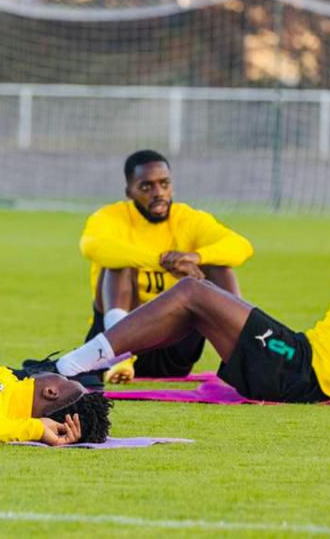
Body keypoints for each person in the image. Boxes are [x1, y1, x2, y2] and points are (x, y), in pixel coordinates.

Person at [36, 157, 330, 410]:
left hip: (302, 372)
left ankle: (73, 364)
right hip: (302, 366)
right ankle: (96, 361)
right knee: (197, 299)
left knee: (194, 292)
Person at [74, 149, 253, 385]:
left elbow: (241, 246)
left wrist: (195, 258)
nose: (158, 193)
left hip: (174, 346)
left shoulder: (189, 219)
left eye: (164, 184)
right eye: (146, 187)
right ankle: (120, 359)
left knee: (218, 266)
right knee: (118, 264)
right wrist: (162, 260)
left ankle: (244, 356)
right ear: (130, 192)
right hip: (117, 343)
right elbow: (91, 246)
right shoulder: (111, 217)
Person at [0, 360, 112, 446]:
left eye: (66, 380)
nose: (63, 376)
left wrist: (39, 430)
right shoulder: (8, 385)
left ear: (51, 392)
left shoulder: (0, 403)